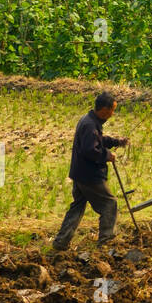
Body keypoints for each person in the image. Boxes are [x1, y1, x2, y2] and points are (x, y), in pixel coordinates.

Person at [52, 91, 129, 250]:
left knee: (77, 207)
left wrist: (116, 142)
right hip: (89, 176)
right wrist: (107, 155)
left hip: (79, 174)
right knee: (109, 203)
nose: (112, 114)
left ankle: (60, 242)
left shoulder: (90, 121)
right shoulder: (90, 125)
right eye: (112, 110)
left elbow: (98, 141)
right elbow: (90, 150)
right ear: (104, 109)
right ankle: (106, 242)